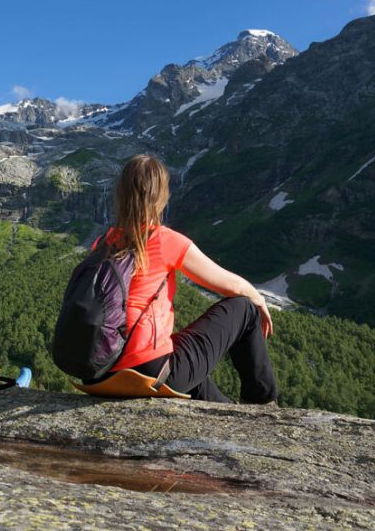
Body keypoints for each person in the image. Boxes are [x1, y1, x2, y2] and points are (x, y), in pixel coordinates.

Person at [90, 154, 278, 404]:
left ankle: (232, 419)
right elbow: (232, 286)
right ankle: (264, 406)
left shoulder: (103, 242)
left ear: (120, 194)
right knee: (244, 308)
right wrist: (259, 300)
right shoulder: (164, 239)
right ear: (162, 196)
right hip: (149, 371)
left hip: (103, 370)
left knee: (187, 364)